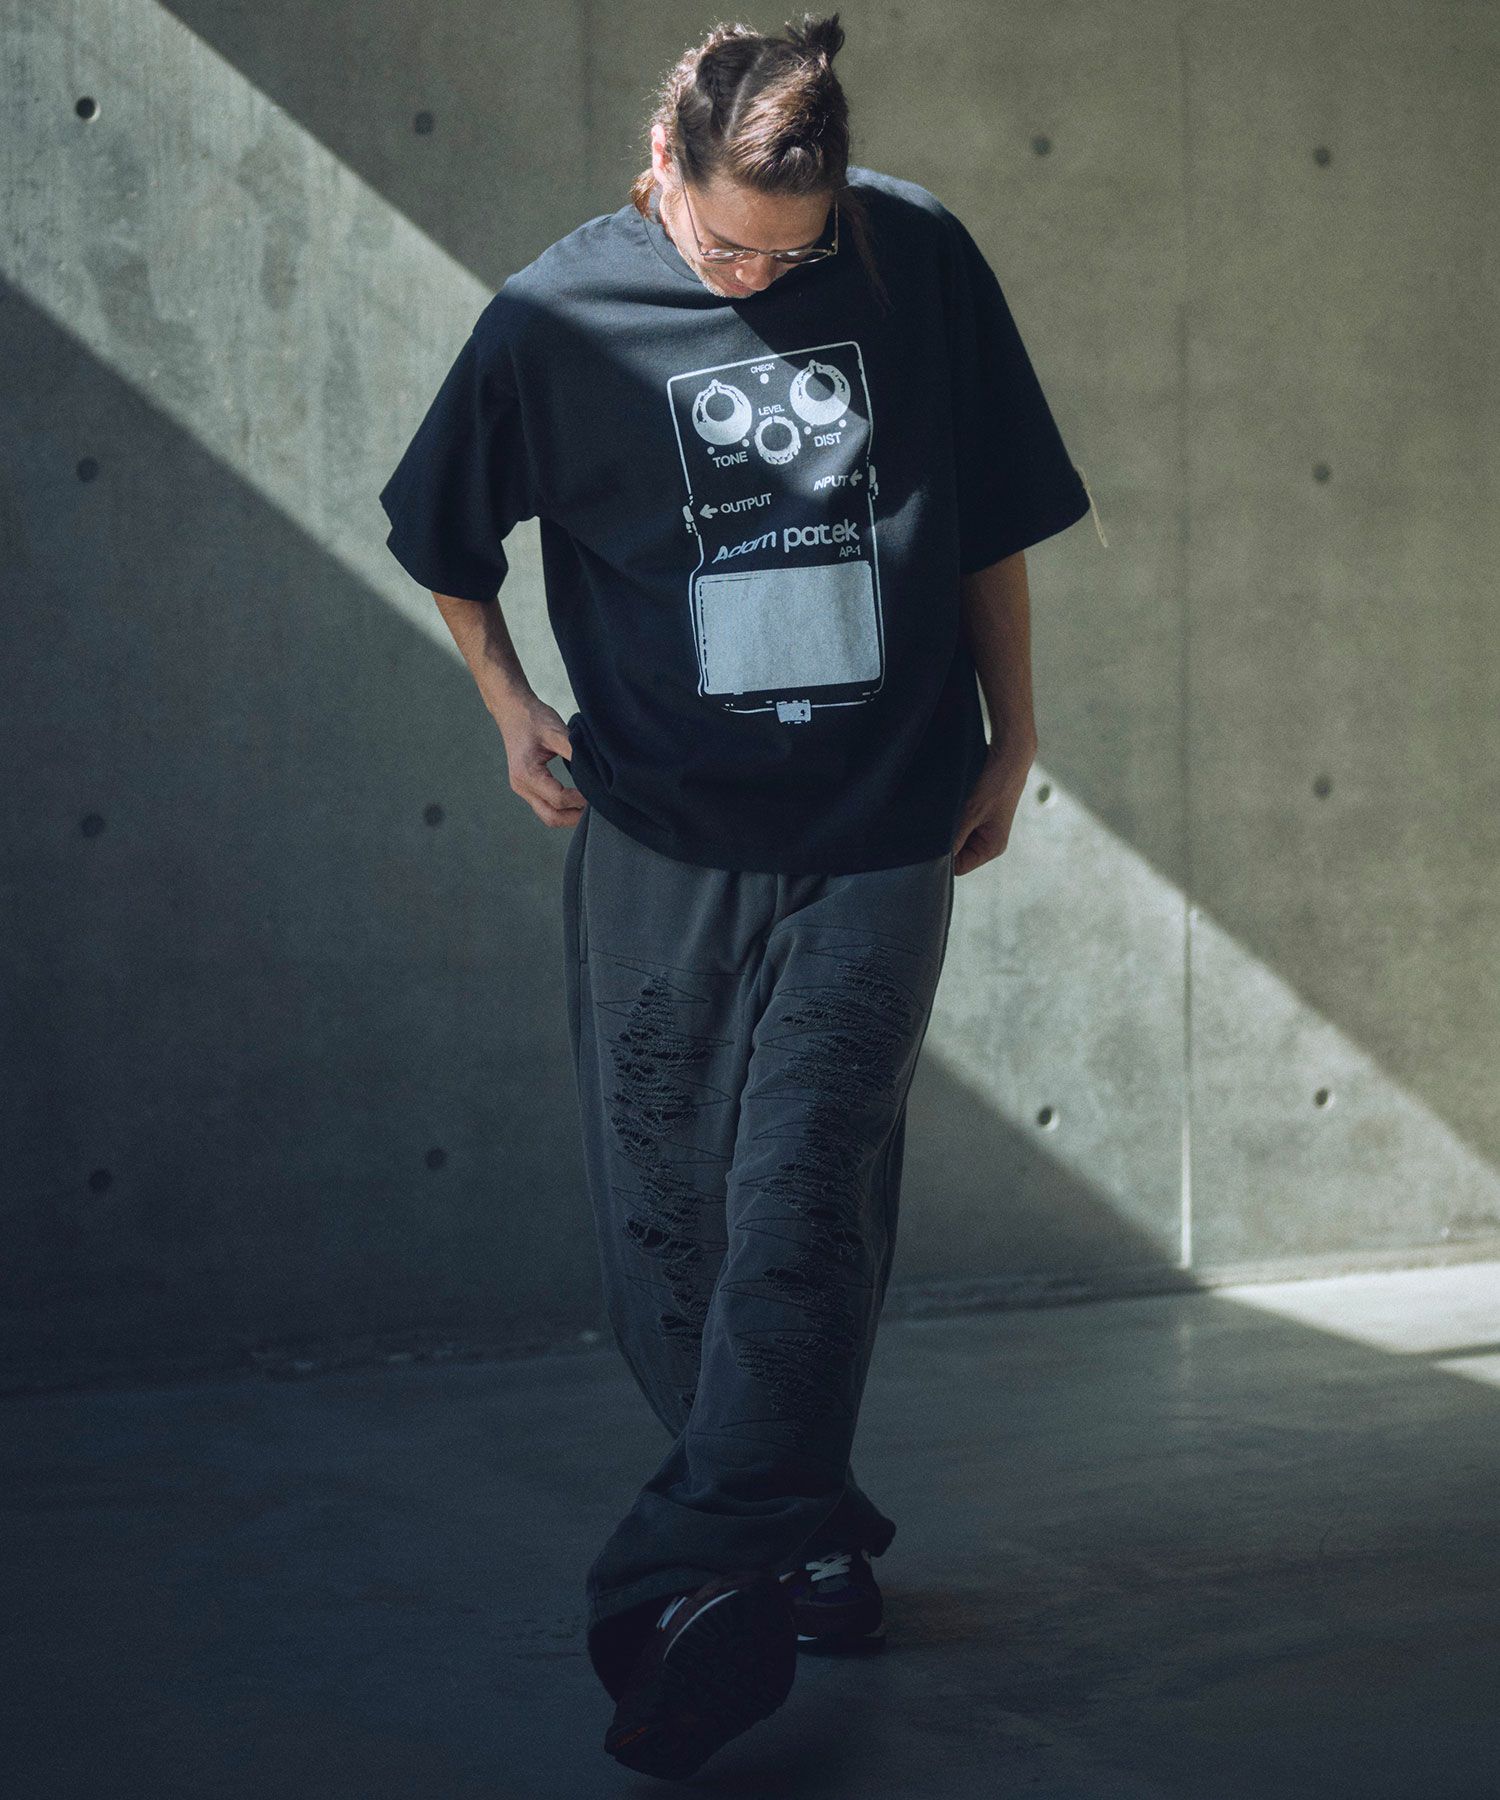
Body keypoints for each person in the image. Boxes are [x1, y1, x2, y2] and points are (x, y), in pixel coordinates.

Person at [378, 10, 1103, 1780]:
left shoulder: (916, 256)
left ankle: (677, 1578)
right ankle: (794, 1529)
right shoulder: (558, 315)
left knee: (803, 1199)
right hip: (658, 831)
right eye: (727, 252)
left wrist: (1014, 733)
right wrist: (507, 707)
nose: (762, 281)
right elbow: (443, 534)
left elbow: (988, 515)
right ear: (661, 163)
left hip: (879, 827)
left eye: (796, 254)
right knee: (670, 1235)